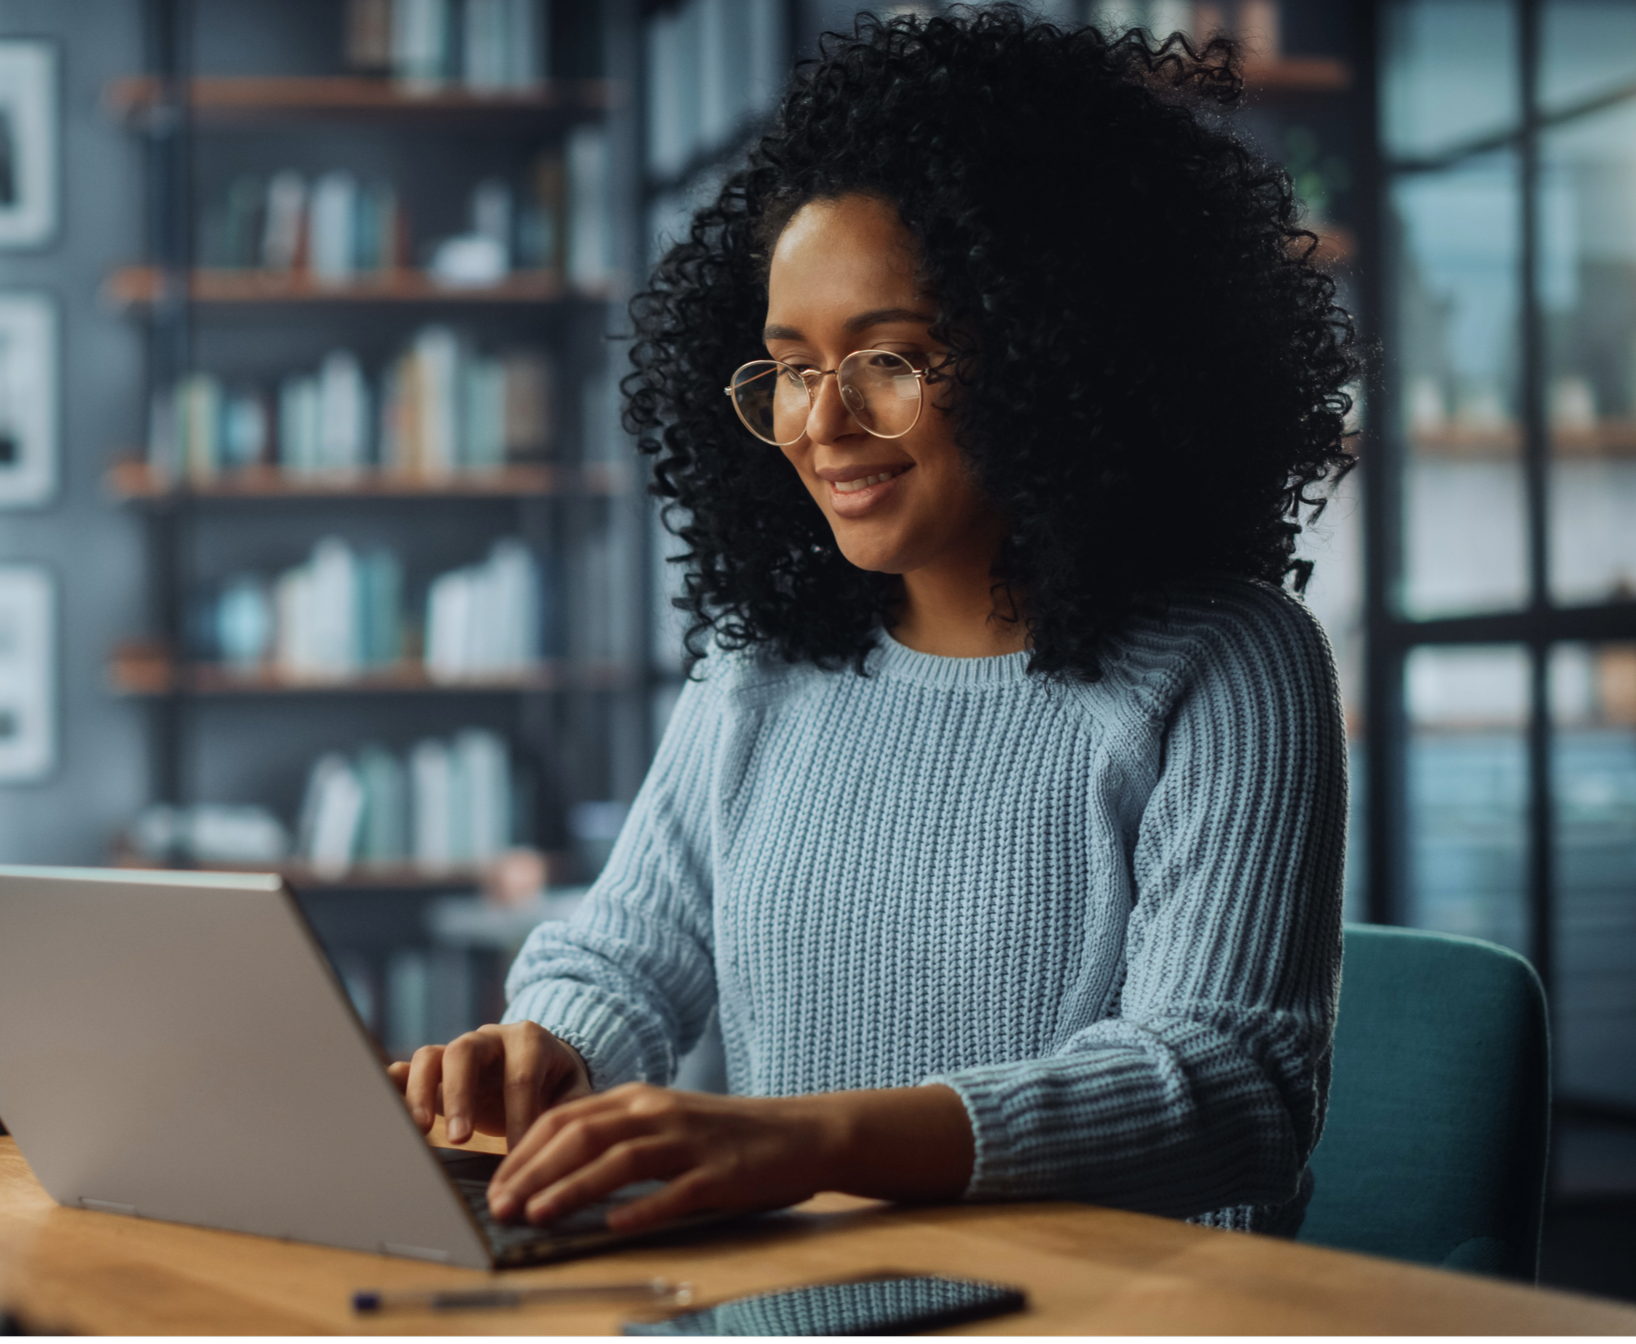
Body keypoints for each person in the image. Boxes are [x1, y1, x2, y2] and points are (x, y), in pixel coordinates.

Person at [391, 4, 1356, 1239]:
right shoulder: (760, 674)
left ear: (1054, 354)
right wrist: (547, 1057)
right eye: (791, 365)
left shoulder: (1227, 663)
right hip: (778, 1313)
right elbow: (619, 962)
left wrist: (800, 1144)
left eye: (888, 357)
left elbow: (1228, 1089)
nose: (820, 422)